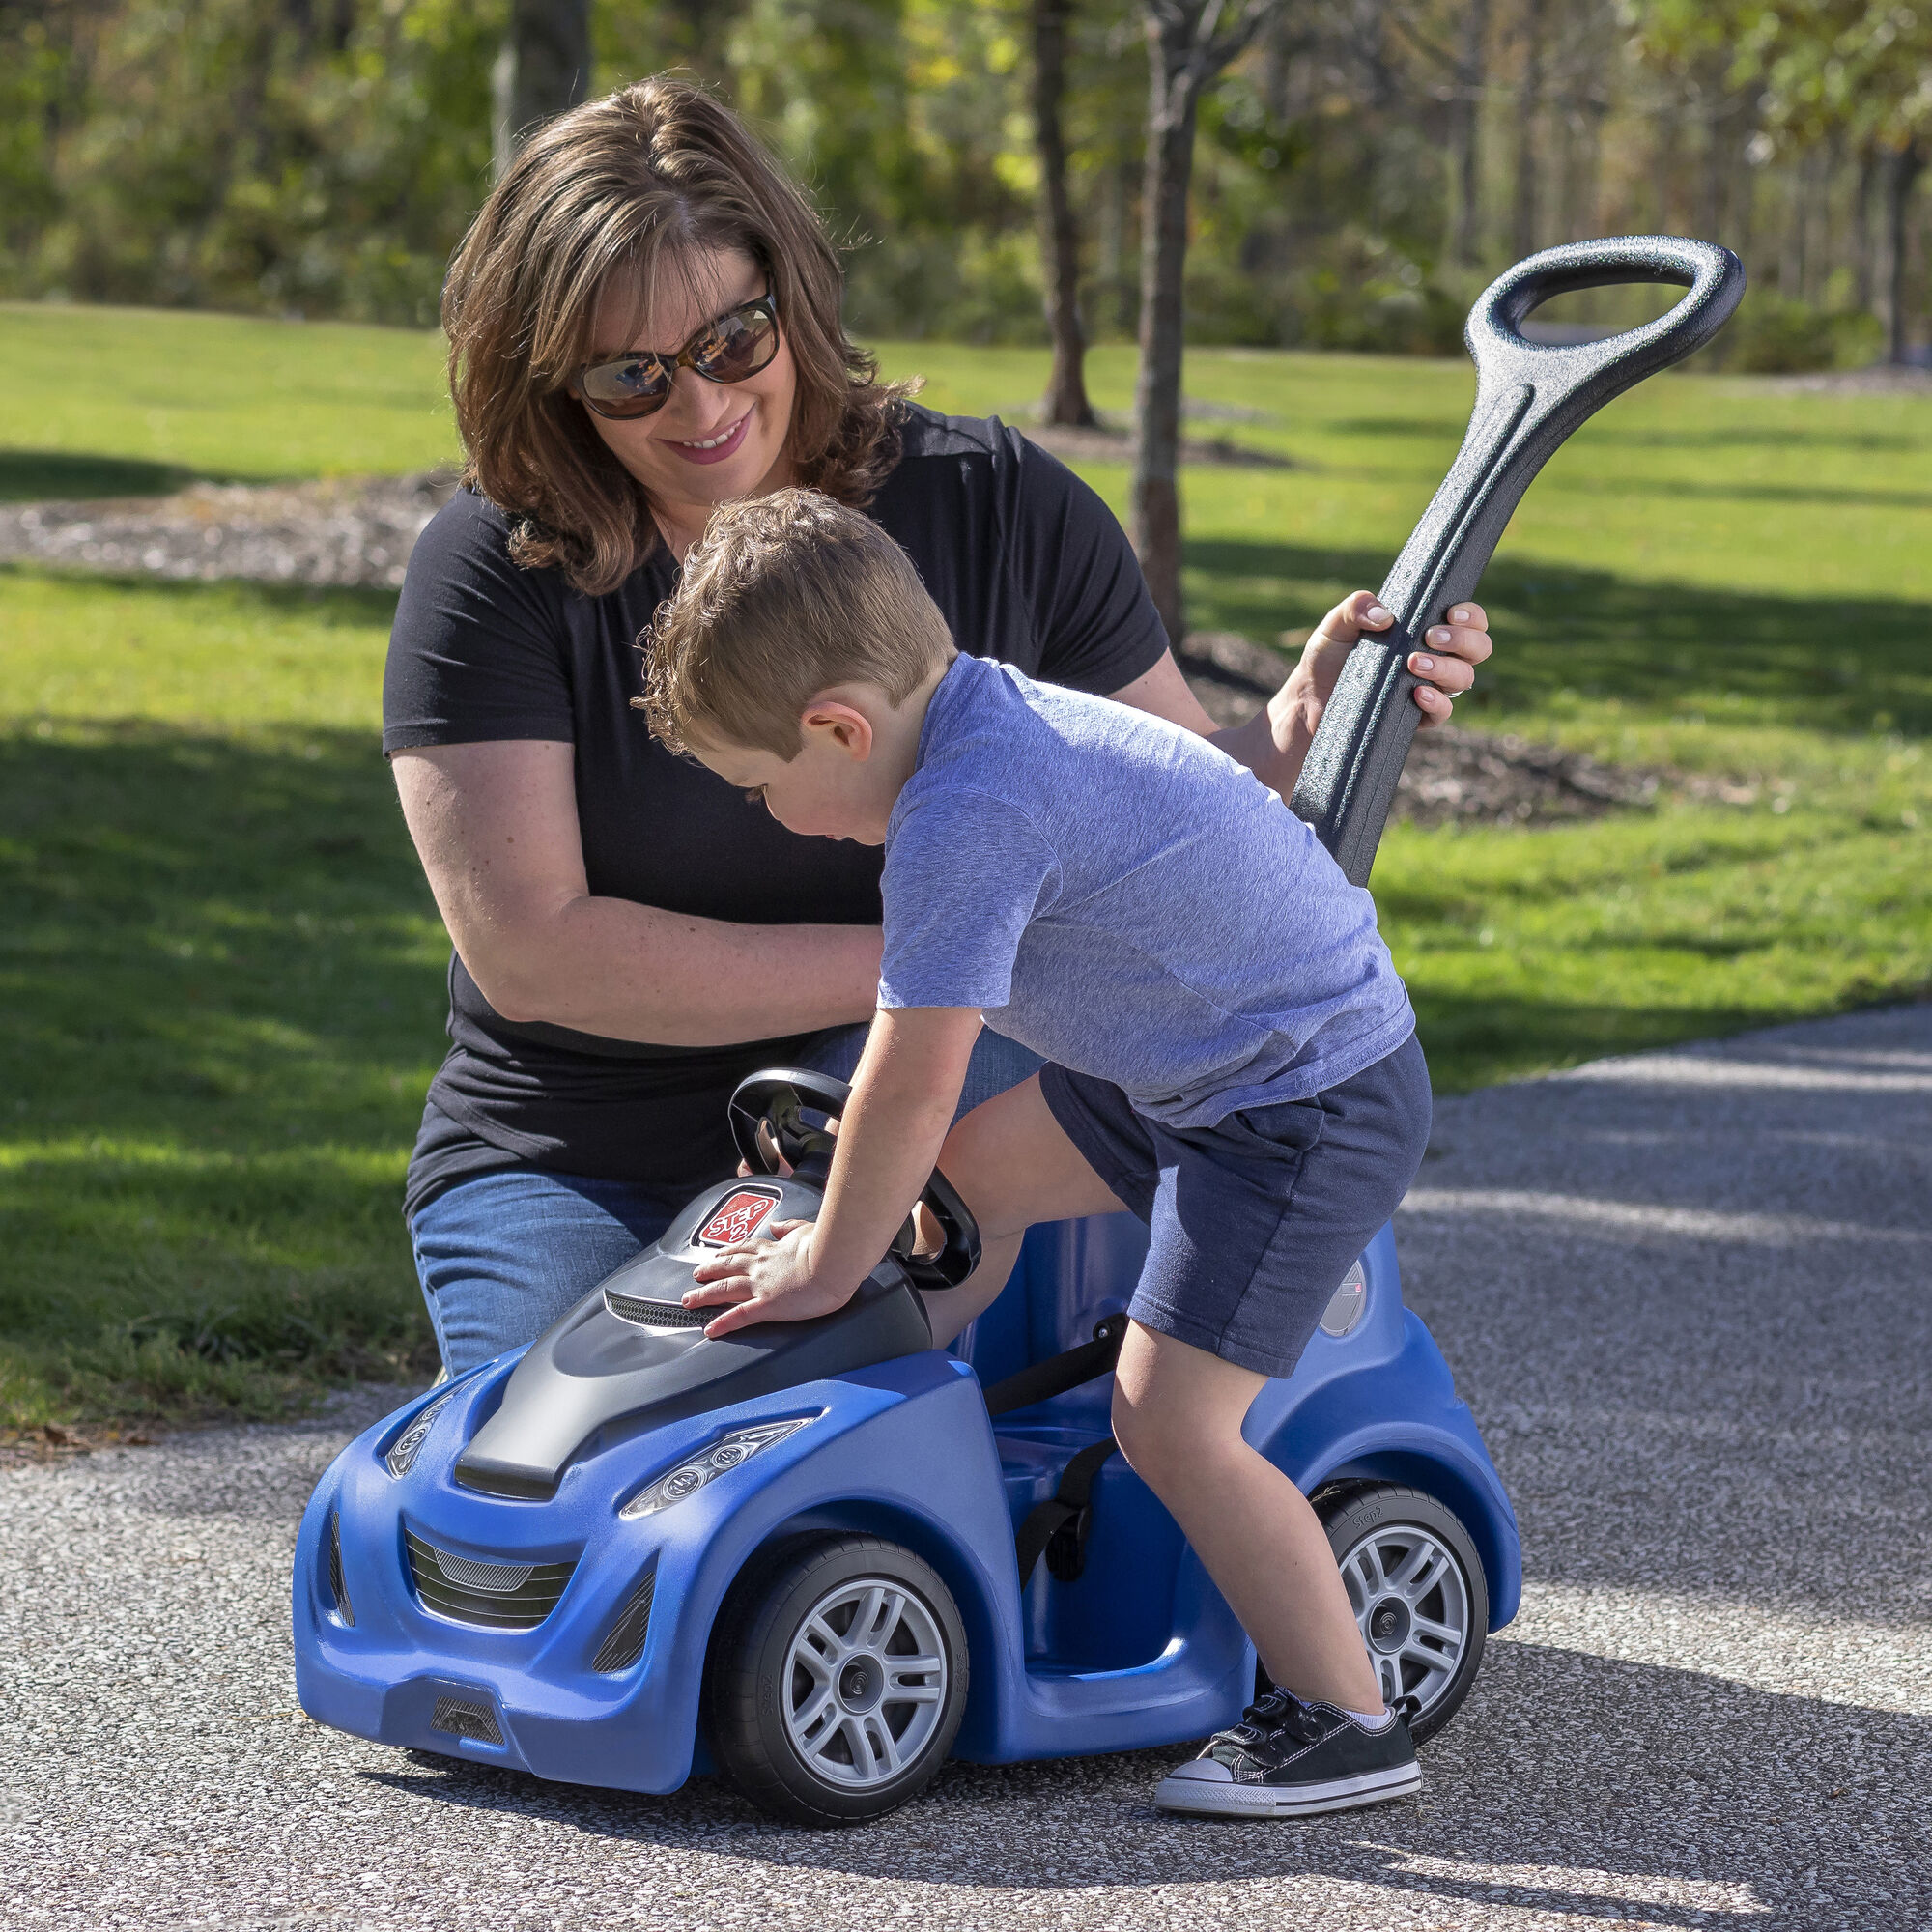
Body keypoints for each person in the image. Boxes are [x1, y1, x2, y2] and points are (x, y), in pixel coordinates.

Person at [384, 74, 1492, 1376]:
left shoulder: (995, 506)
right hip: (581, 1151)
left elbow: (1172, 813)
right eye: (631, 376)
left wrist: (1299, 728)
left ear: (789, 297)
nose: (698, 406)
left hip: (924, 1090)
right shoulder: (495, 572)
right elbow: (538, 957)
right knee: (560, 1478)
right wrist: (949, 957)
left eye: (733, 340)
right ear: (557, 382)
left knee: (847, 1413)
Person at [653, 490, 1439, 1820]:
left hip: (1295, 1101)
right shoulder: (974, 707)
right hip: (1182, 1058)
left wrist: (828, 1258)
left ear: (837, 728)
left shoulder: (964, 815)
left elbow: (905, 1080)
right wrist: (870, 1240)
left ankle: (1346, 1720)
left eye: (762, 787)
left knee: (1167, 1422)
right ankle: (893, 1441)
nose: (772, 818)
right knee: (958, 1196)